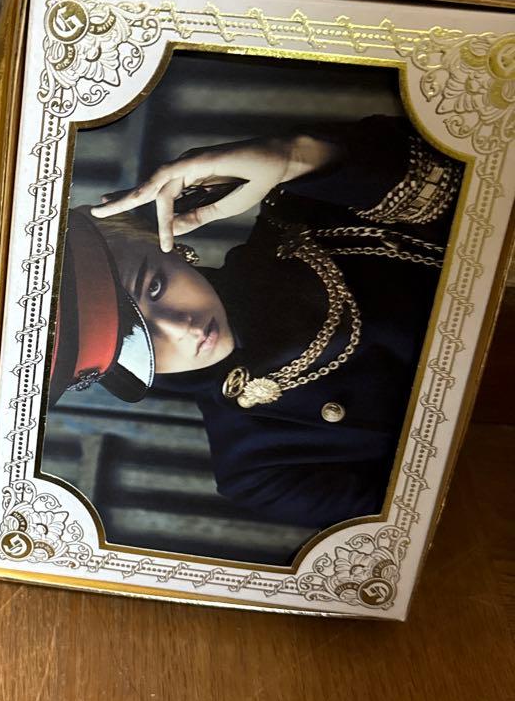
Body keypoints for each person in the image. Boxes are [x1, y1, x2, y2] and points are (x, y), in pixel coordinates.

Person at [48, 115, 463, 530]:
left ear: (163, 246)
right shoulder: (260, 472)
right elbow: (447, 517)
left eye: (155, 287)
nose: (182, 328)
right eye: (141, 342)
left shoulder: (301, 206)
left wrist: (294, 158)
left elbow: (479, 195)